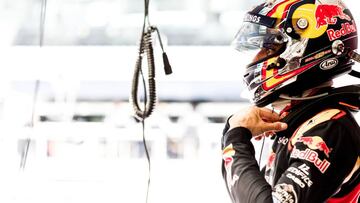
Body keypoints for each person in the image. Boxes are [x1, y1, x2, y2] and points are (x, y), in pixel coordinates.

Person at [221, 0, 360, 202]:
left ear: (302, 48)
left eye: (269, 48)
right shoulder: (304, 120)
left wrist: (236, 137)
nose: (255, 59)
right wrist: (233, 134)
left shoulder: (331, 127)